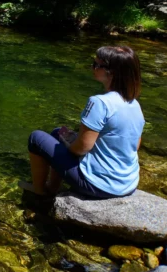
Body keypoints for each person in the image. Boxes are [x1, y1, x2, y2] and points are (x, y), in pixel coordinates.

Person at [24, 45, 145, 198]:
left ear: (111, 72)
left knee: (36, 138)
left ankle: (39, 192)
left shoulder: (99, 103)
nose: (92, 67)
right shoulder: (134, 104)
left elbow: (81, 148)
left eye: (96, 65)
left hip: (98, 185)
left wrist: (70, 145)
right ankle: (53, 188)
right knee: (57, 133)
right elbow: (135, 145)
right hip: (128, 184)